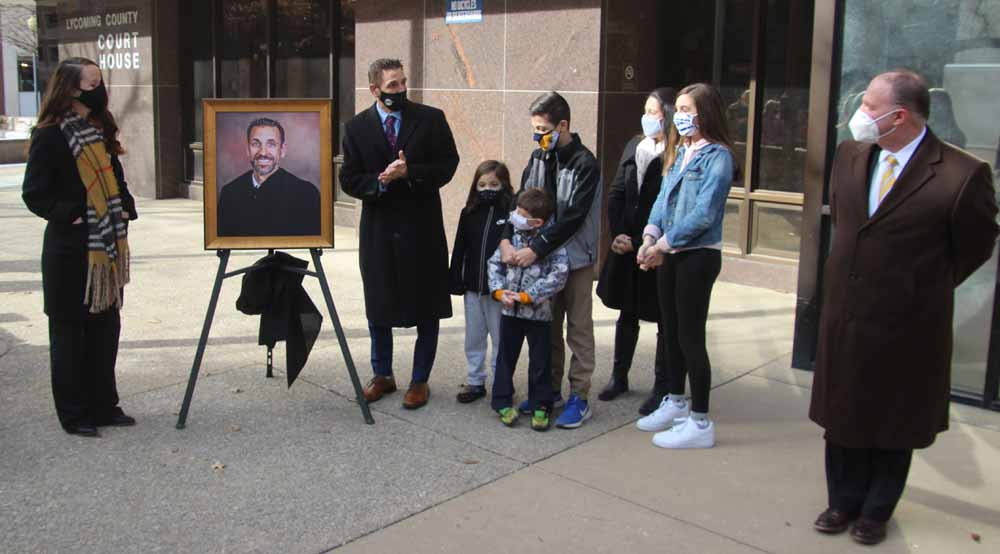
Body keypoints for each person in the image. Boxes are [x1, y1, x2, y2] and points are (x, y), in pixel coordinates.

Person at [809, 69, 998, 545]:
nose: (860, 113)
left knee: (893, 420)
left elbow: (974, 245)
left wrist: (919, 286)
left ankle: (876, 510)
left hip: (908, 325)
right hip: (846, 315)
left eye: (870, 106)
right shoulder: (851, 154)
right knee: (843, 414)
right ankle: (842, 501)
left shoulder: (960, 174)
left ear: (900, 116)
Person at [22, 57, 138, 437]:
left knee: (106, 329)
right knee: (70, 335)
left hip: (105, 249)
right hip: (71, 252)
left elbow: (115, 177)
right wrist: (69, 214)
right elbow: (34, 193)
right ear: (71, 88)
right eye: (93, 83)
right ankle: (74, 415)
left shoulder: (99, 126)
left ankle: (105, 405)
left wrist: (124, 207)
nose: (99, 88)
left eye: (100, 81)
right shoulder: (51, 135)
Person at [339, 58, 460, 409]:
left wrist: (410, 173)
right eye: (392, 86)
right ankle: (383, 375)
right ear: (374, 90)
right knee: (379, 304)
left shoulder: (430, 118)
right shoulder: (357, 127)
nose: (400, 90)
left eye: (403, 83)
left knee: (427, 306)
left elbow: (448, 164)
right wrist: (380, 182)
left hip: (421, 227)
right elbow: (349, 179)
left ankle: (419, 381)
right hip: (379, 231)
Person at [635, 82, 736, 450]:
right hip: (671, 253)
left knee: (692, 337)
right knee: (672, 332)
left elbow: (703, 214)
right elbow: (663, 199)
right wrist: (649, 238)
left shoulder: (718, 157)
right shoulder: (681, 152)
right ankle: (675, 401)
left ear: (705, 113)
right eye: (677, 108)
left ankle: (700, 420)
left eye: (687, 109)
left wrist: (663, 244)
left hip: (697, 256)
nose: (680, 116)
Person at [499, 91, 602, 429]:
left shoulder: (585, 163)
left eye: (543, 129)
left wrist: (537, 247)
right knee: (548, 327)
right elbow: (522, 201)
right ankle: (549, 391)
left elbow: (573, 217)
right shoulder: (538, 157)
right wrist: (508, 239)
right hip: (541, 260)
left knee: (578, 329)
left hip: (574, 259)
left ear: (563, 125)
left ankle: (580, 396)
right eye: (535, 129)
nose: (538, 136)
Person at [596, 87, 675, 413]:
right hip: (629, 245)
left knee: (662, 319)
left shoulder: (677, 152)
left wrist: (655, 243)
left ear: (668, 116)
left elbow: (672, 205)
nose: (647, 117)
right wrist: (619, 235)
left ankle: (661, 386)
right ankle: (619, 376)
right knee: (626, 312)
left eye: (654, 111)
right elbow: (616, 192)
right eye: (646, 110)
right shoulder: (635, 145)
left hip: (659, 249)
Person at [488, 189, 569, 430]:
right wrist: (499, 291)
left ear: (537, 222)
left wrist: (528, 296)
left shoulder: (550, 245)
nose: (515, 217)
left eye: (521, 215)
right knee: (505, 358)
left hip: (538, 315)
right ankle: (501, 401)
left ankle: (541, 405)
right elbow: (494, 264)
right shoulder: (511, 240)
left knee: (540, 361)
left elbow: (559, 275)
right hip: (509, 313)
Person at [449, 160, 515, 403]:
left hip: (499, 290)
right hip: (473, 289)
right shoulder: (468, 214)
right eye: (482, 184)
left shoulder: (511, 215)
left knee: (500, 338)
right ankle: (475, 381)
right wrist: (455, 277)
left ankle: (501, 383)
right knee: (474, 337)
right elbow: (460, 248)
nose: (488, 188)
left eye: (494, 184)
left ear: (504, 185)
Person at [216, 118, 320, 236]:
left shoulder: (306, 194)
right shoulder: (229, 193)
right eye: (256, 144)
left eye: (271, 144)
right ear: (247, 150)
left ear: (282, 150)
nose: (263, 152)